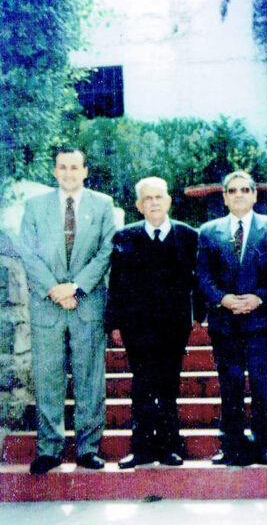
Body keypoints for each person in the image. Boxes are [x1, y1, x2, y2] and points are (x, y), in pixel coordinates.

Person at [19, 147, 116, 475]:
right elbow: (28, 253)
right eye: (63, 167)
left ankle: (89, 448)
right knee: (48, 379)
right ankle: (49, 449)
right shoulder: (35, 206)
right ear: (54, 171)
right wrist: (55, 289)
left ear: (85, 171)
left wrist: (75, 287)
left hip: (87, 304)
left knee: (90, 378)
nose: (69, 173)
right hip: (48, 306)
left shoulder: (103, 205)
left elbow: (105, 252)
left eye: (75, 167)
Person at [105, 177, 205, 469]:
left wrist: (198, 316)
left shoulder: (188, 236)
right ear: (138, 205)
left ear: (169, 201)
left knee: (169, 386)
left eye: (158, 197)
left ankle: (170, 447)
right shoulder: (125, 237)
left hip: (174, 326)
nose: (154, 203)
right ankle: (141, 449)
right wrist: (115, 324)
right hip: (137, 327)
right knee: (142, 386)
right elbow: (117, 283)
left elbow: (198, 280)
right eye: (147, 198)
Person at [196, 170, 267, 466]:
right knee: (230, 384)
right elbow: (203, 274)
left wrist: (258, 297)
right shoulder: (208, 231)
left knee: (261, 384)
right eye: (232, 191)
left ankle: (264, 445)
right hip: (225, 321)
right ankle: (231, 445)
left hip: (261, 319)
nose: (239, 195)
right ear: (224, 197)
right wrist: (222, 298)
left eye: (245, 190)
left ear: (255, 195)